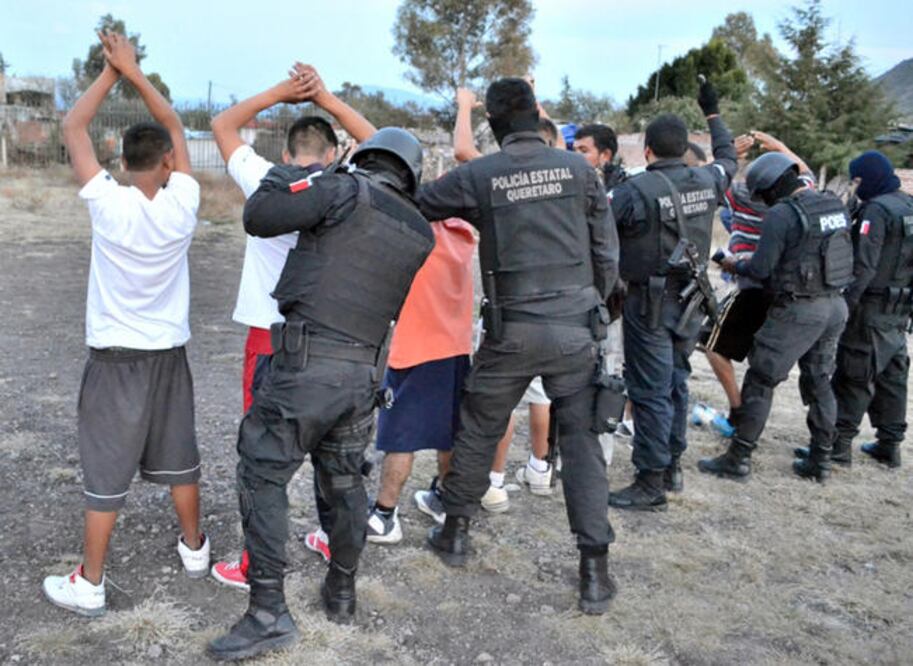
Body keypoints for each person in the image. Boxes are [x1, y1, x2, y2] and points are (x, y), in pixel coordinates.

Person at [207, 127, 434, 660]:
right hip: (363, 377)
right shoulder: (419, 229)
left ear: (364, 158)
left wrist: (301, 175)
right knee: (345, 483)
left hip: (306, 366)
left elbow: (259, 216)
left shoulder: (340, 190)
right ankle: (342, 590)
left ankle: (267, 613)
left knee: (262, 472)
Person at [415, 77, 620, 615]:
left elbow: (419, 203)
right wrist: (593, 309)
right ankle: (594, 571)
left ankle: (455, 534)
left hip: (511, 331)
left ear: (495, 124)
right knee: (581, 445)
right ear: (535, 113)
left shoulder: (480, 175)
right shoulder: (580, 170)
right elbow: (607, 253)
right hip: (575, 328)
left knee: (479, 427)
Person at [42, 31, 208, 617]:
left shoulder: (107, 203)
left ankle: (90, 581)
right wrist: (135, 72)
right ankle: (195, 550)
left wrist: (111, 72)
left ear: (120, 162)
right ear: (168, 162)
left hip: (114, 360)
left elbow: (72, 128)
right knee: (180, 453)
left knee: (106, 468)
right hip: (168, 355)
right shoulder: (184, 203)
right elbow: (176, 124)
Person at [208, 63, 377, 589]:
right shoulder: (350, 186)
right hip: (332, 343)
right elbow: (384, 144)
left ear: (285, 155)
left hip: (269, 338)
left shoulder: (267, 181)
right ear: (333, 152)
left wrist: (283, 92)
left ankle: (256, 564)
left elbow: (222, 125)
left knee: (263, 459)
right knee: (334, 453)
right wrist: (324, 97)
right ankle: (332, 540)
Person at [607, 80, 737, 510]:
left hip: (649, 304)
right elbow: (728, 158)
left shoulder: (633, 191)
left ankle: (651, 481)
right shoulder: (708, 179)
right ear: (684, 149)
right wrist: (712, 113)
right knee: (677, 382)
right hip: (691, 301)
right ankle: (672, 466)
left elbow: (598, 229)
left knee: (650, 391)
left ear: (647, 150)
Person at [699, 152, 853, 483]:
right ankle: (821, 459)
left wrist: (732, 264)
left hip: (799, 310)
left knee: (761, 379)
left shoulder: (782, 214)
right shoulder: (832, 204)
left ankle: (738, 457)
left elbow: (761, 269)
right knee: (819, 380)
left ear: (770, 188)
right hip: (834, 305)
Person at [796, 151, 913, 469]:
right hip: (898, 308)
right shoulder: (908, 205)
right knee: (892, 376)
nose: (855, 186)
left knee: (854, 373)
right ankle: (890, 445)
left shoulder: (877, 210)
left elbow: (864, 265)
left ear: (869, 177)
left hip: (870, 307)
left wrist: (846, 306)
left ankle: (837, 445)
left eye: (857, 179)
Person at [366, 216, 477, 544]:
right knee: (450, 432)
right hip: (455, 346)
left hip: (414, 348)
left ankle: (384, 515)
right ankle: (443, 498)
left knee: (400, 437)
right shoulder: (462, 235)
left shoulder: (415, 234)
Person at [700, 132, 814, 427]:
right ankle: (751, 415)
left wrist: (727, 156)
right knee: (761, 359)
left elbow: (703, 181)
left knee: (713, 345)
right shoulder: (798, 199)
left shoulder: (741, 196)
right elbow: (806, 173)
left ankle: (738, 411)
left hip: (750, 287)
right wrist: (780, 146)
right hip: (785, 289)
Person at [574, 123, 626, 189]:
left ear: (605, 155)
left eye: (584, 151)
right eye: (573, 150)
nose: (574, 156)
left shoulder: (625, 188)